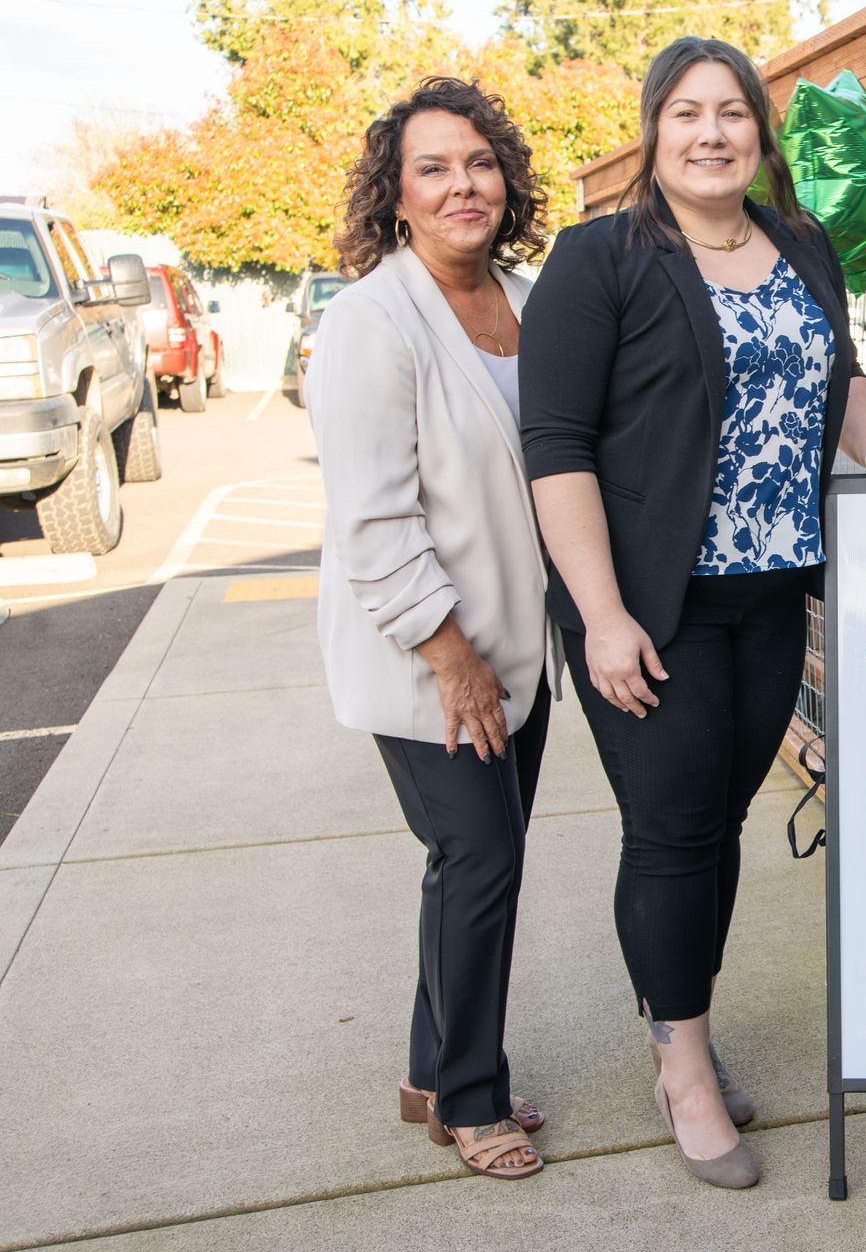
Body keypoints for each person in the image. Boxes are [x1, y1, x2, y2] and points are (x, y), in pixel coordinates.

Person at [519, 36, 866, 1190]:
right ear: (654, 132)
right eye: (689, 113)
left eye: (734, 113)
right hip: (652, 605)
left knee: (722, 821)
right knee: (670, 826)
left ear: (761, 132)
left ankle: (682, 1025)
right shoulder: (600, 258)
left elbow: (833, 367)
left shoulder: (799, 243)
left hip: (771, 591)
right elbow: (554, 444)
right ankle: (685, 1066)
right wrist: (600, 613)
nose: (713, 134)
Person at [310, 77, 560, 1181]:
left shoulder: (531, 302)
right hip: (432, 654)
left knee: (469, 866)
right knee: (481, 853)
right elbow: (372, 517)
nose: (463, 184)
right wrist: (449, 654)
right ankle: (472, 1094)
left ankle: (429, 1067)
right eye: (433, 168)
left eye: (479, 163)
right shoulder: (371, 319)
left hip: (522, 650)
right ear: (396, 197)